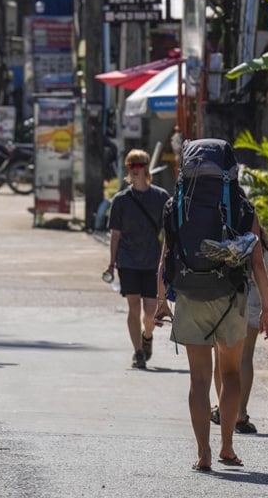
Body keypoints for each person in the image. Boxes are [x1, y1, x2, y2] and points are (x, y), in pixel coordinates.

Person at [159, 139, 268, 472]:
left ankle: (203, 453)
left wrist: (160, 301)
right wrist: (267, 307)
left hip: (190, 294)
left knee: (198, 380)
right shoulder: (240, 204)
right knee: (231, 373)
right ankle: (226, 446)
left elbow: (166, 254)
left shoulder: (176, 204)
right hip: (231, 297)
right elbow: (257, 261)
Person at [105, 149, 170, 370]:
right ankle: (138, 352)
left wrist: (170, 258)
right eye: (131, 166)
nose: (134, 170)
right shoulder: (121, 200)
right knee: (133, 306)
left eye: (138, 166)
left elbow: (170, 232)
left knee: (150, 310)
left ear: (146, 169)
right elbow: (115, 234)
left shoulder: (161, 197)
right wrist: (111, 263)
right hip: (128, 261)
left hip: (153, 261)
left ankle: (147, 335)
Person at [210, 225, 268, 434]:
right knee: (245, 358)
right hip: (254, 301)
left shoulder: (220, 239)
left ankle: (223, 406)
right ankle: (241, 412)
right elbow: (267, 274)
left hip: (226, 299)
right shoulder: (258, 247)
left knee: (221, 358)